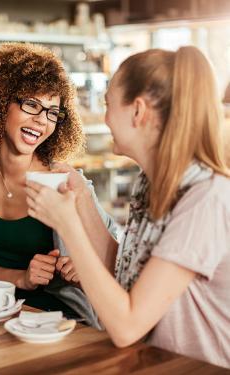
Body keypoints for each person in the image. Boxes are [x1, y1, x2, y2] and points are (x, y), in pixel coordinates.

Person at [26, 46, 230, 368]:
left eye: (108, 104)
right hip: (151, 364)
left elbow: (128, 326)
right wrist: (80, 200)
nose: (105, 118)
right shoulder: (153, 183)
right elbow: (123, 274)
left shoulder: (205, 198)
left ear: (138, 112)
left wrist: (68, 225)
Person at [0, 43, 118, 326]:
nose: (41, 120)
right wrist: (20, 278)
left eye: (52, 112)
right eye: (32, 104)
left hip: (62, 321)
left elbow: (114, 257)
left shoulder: (66, 182)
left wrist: (86, 267)